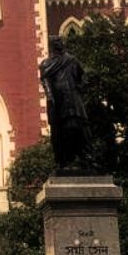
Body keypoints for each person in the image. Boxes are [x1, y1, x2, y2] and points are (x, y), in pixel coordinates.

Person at [40, 38, 89, 172]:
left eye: (60, 43)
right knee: (59, 133)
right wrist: (51, 97)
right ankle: (64, 161)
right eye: (57, 43)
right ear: (52, 47)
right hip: (58, 102)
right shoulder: (46, 64)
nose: (60, 45)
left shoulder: (71, 60)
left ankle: (82, 159)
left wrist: (78, 89)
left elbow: (81, 77)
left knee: (77, 128)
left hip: (73, 99)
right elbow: (46, 83)